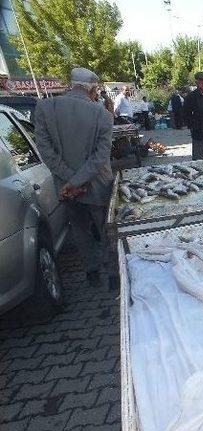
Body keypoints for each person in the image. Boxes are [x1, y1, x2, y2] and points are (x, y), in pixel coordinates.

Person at [34, 67, 114, 288]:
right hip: (97, 184)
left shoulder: (45, 107)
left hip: (66, 188)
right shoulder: (102, 114)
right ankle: (114, 274)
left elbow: (45, 150)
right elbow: (101, 156)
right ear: (92, 89)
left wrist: (69, 181)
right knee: (106, 228)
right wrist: (78, 181)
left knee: (79, 229)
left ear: (72, 85)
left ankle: (92, 271)